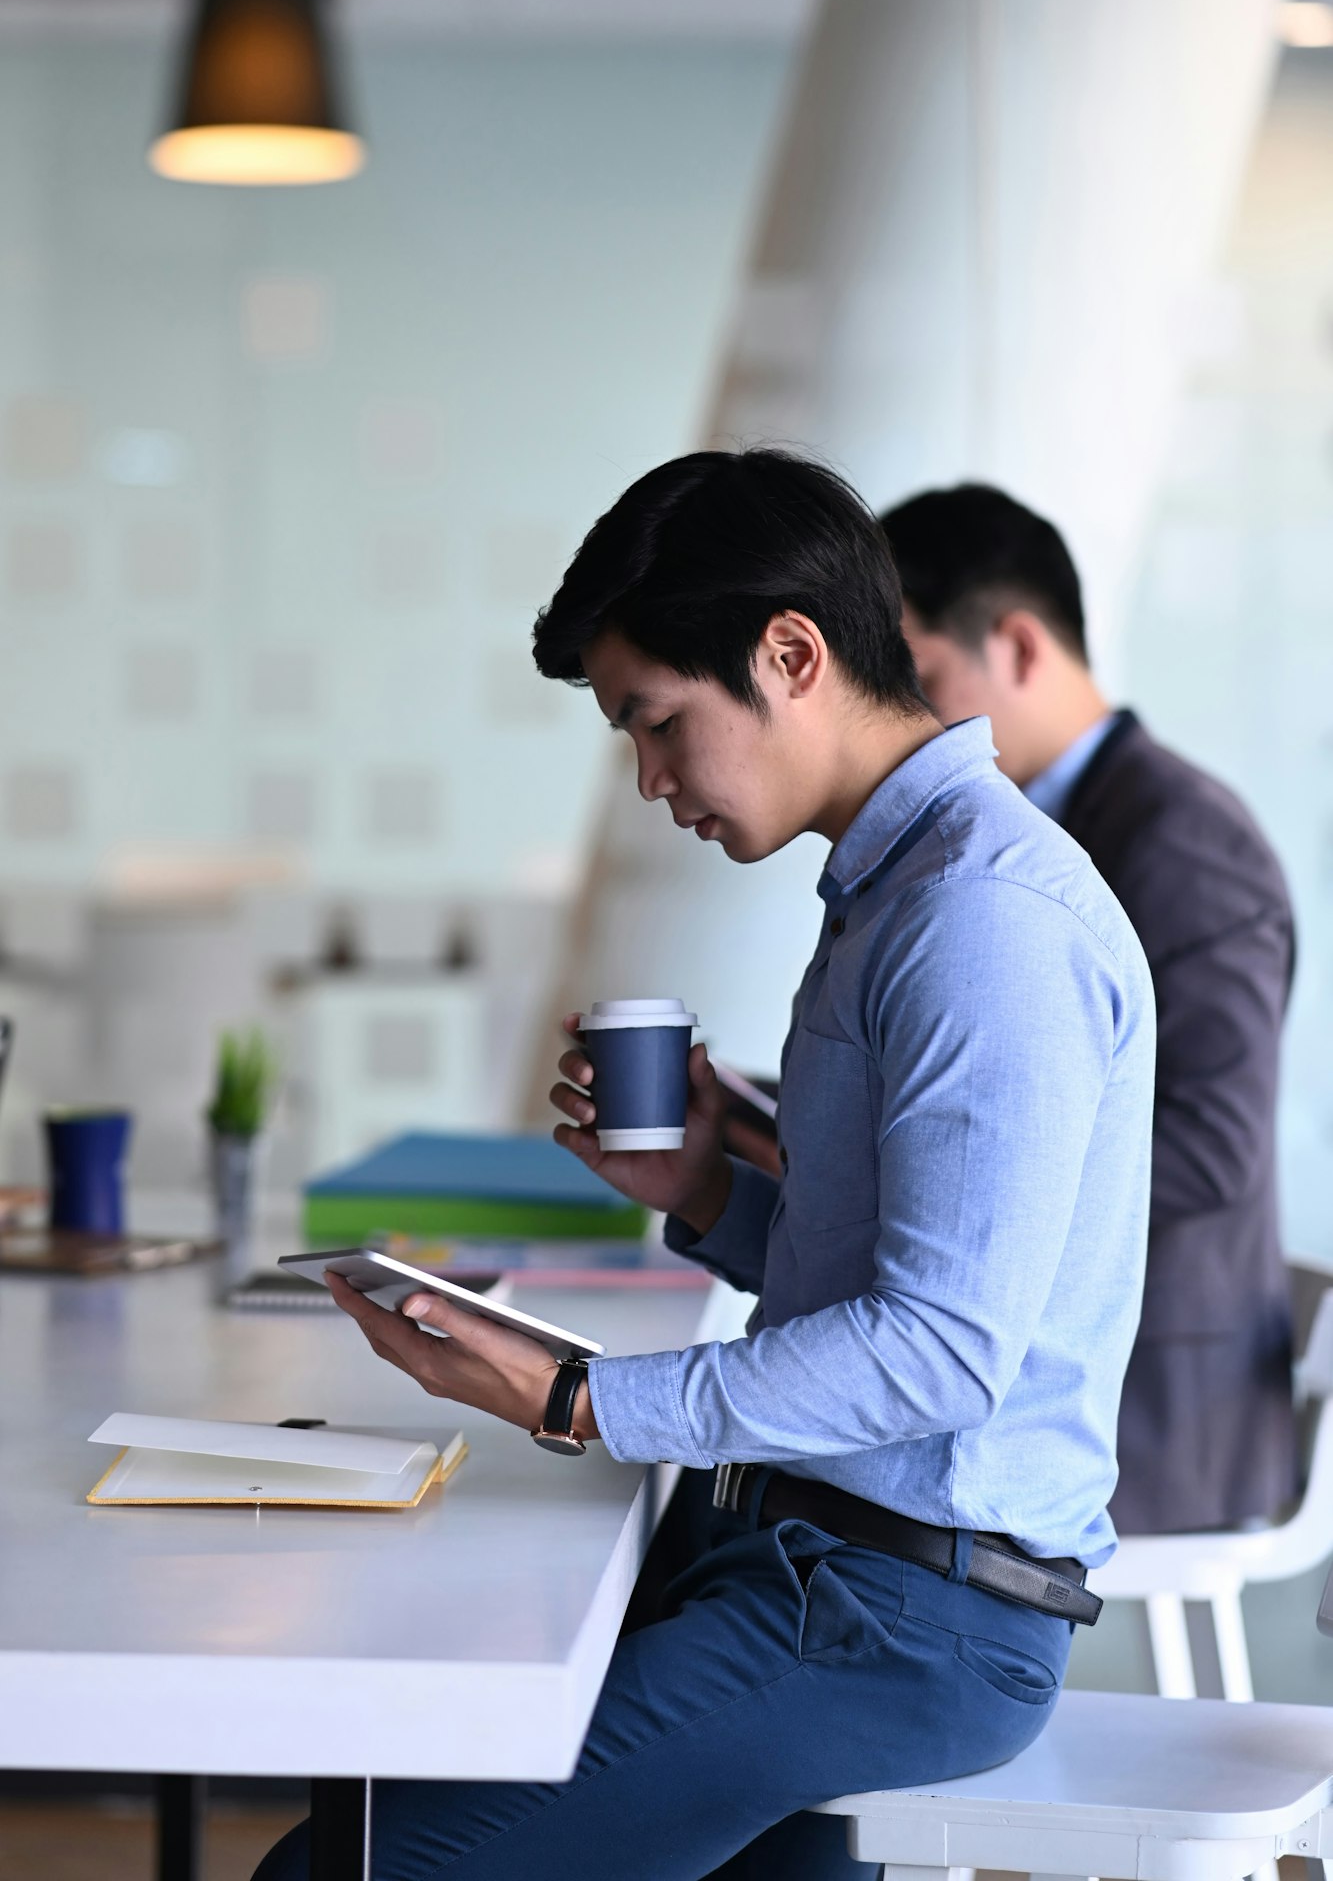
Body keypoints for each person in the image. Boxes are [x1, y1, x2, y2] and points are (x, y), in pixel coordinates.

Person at [256, 449, 1154, 1881]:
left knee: (347, 1868)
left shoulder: (980, 921)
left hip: (894, 1624)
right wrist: (708, 1196)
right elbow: (885, 1277)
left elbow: (940, 1355)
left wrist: (571, 1394)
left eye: (657, 721)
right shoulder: (897, 889)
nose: (650, 778)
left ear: (788, 655)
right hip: (826, 1572)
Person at [883, 482, 1297, 1535]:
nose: (903, 724)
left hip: (1154, 1411)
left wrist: (961, 1172)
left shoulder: (1181, 842)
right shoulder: (1031, 835)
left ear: (1018, 644)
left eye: (918, 677)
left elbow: (1210, 1146)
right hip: (1061, 1373)